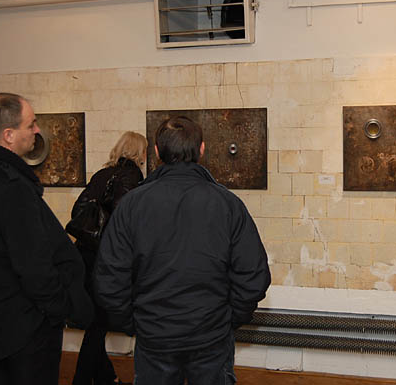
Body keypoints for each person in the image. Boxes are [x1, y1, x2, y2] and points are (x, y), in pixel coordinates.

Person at [94, 116, 271, 385]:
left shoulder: (131, 205)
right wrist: (227, 320)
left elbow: (109, 276)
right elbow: (254, 275)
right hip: (205, 335)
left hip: (163, 335)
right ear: (201, 149)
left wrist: (134, 323)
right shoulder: (227, 204)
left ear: (156, 152)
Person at [0, 92, 93, 385]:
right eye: (30, 125)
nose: (37, 130)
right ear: (8, 135)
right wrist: (59, 309)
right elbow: (33, 266)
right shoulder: (11, 188)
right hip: (27, 329)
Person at [70, 131, 147, 385]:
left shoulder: (102, 174)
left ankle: (106, 377)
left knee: (96, 321)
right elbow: (125, 222)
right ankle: (81, 380)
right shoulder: (132, 176)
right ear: (139, 152)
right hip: (105, 260)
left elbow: (77, 210)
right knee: (98, 324)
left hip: (84, 254)